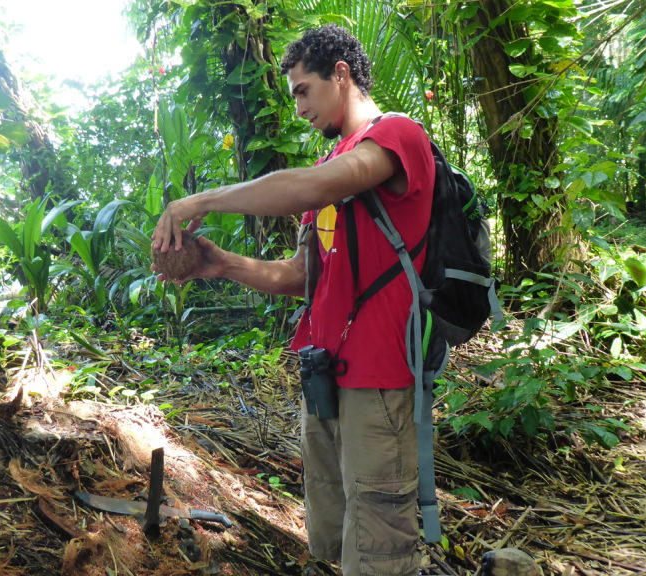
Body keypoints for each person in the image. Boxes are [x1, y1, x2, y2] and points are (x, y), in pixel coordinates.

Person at [152, 24, 435, 576]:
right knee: (334, 530)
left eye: (304, 90)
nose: (299, 107)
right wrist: (222, 264)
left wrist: (199, 202)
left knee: (380, 545)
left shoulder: (396, 136)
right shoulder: (333, 166)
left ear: (342, 74)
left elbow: (314, 186)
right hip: (325, 375)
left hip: (379, 378)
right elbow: (301, 276)